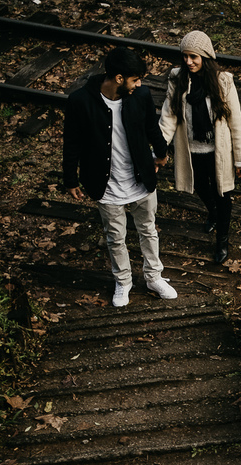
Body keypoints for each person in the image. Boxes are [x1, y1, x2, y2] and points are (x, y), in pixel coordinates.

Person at [62, 46, 175, 308]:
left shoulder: (141, 95)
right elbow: (73, 143)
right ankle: (123, 282)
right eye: (135, 79)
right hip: (106, 183)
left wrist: (161, 153)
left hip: (140, 177)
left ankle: (153, 277)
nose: (140, 84)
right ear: (119, 78)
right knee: (115, 236)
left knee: (148, 229)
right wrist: (70, 179)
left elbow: (151, 127)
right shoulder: (80, 101)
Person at [159, 30, 241, 264]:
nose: (188, 62)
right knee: (199, 185)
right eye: (185, 56)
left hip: (218, 152)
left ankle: (222, 240)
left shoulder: (222, 81)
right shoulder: (177, 79)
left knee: (223, 194)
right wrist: (159, 148)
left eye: (194, 57)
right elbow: (168, 116)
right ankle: (214, 213)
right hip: (191, 149)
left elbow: (235, 122)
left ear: (205, 57)